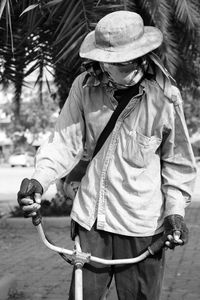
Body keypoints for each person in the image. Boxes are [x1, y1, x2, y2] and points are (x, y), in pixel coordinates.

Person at [17, 11, 197, 300]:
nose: (128, 67)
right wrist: (39, 180)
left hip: (142, 227)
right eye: (115, 62)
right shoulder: (84, 87)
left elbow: (177, 164)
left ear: (143, 55)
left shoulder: (165, 97)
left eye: (132, 59)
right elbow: (65, 142)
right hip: (91, 222)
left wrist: (175, 213)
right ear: (102, 60)